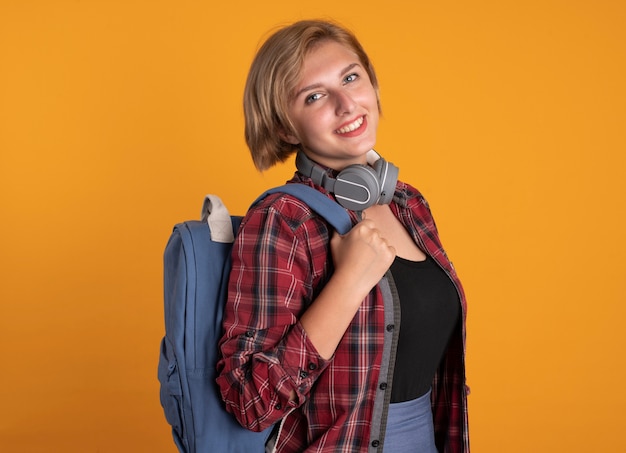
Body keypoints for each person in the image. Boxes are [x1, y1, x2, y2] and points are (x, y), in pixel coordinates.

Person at [216, 19, 469, 452]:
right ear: (285, 129)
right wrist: (349, 282)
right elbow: (249, 402)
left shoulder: (409, 205)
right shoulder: (283, 219)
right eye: (314, 96)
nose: (346, 103)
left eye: (350, 77)